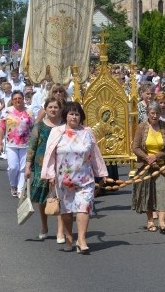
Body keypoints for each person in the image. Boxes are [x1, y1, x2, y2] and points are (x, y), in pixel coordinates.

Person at [41, 102, 108, 254]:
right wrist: (50, 174)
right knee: (66, 211)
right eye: (71, 113)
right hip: (63, 179)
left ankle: (82, 239)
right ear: (65, 115)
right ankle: (69, 237)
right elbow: (49, 154)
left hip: (85, 178)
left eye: (77, 114)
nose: (74, 117)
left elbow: (95, 153)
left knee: (84, 207)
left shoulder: (87, 131)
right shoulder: (57, 131)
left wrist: (102, 173)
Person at [25, 97, 65, 242]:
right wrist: (28, 166)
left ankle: (61, 231)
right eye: (50, 107)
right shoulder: (39, 126)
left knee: (60, 197)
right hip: (41, 165)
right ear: (46, 109)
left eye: (56, 107)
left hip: (60, 165)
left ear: (60, 109)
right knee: (42, 199)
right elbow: (32, 146)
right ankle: (44, 226)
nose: (53, 110)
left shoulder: (65, 126)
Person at [131, 101, 165, 234]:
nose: (154, 116)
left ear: (160, 114)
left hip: (161, 165)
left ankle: (162, 221)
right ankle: (150, 220)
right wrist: (147, 157)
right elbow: (135, 147)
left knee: (163, 191)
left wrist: (157, 156)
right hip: (145, 165)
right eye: (152, 113)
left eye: (157, 113)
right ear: (148, 114)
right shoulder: (141, 127)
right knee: (147, 193)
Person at [0, 90, 35, 198]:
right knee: (13, 167)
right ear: (12, 101)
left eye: (20, 98)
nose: (18, 100)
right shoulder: (7, 111)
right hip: (11, 144)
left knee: (23, 168)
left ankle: (20, 189)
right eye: (15, 99)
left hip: (25, 144)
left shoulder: (29, 112)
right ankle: (13, 184)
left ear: (23, 99)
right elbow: (1, 128)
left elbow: (33, 127)